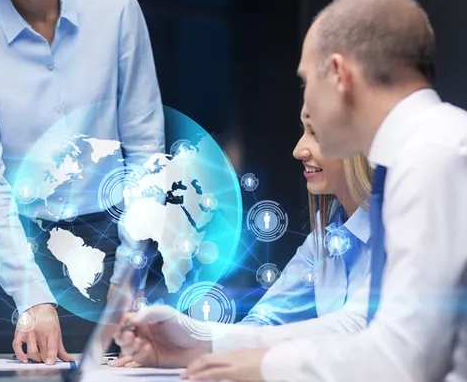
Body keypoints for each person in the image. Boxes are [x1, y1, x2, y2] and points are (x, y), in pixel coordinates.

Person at [173, 0, 467, 381]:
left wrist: (264, 368)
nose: (306, 104)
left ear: (340, 74)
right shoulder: (427, 150)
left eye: (306, 80)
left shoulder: (433, 156)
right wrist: (201, 342)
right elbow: (358, 320)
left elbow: (405, 360)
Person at [0, 0, 164, 363]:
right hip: (10, 247)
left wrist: (128, 274)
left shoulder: (116, 7)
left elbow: (145, 150)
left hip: (116, 240)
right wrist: (32, 297)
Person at [112, 106, 374, 368]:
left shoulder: (397, 231)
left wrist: (197, 344)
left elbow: (354, 329)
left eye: (316, 134)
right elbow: (266, 320)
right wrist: (188, 344)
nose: (298, 150)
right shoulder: (326, 238)